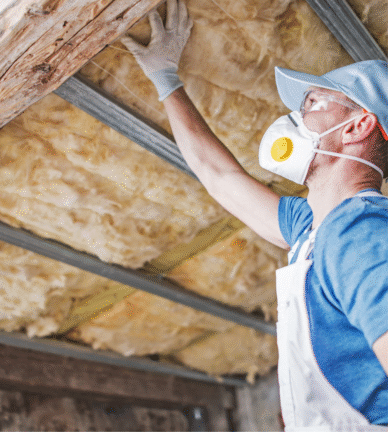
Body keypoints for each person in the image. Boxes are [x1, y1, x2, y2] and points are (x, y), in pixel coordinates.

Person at [119, 0, 388, 428]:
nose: (295, 117)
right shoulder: (312, 230)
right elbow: (219, 176)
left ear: (358, 126)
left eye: (314, 103)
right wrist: (166, 80)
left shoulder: (361, 231)